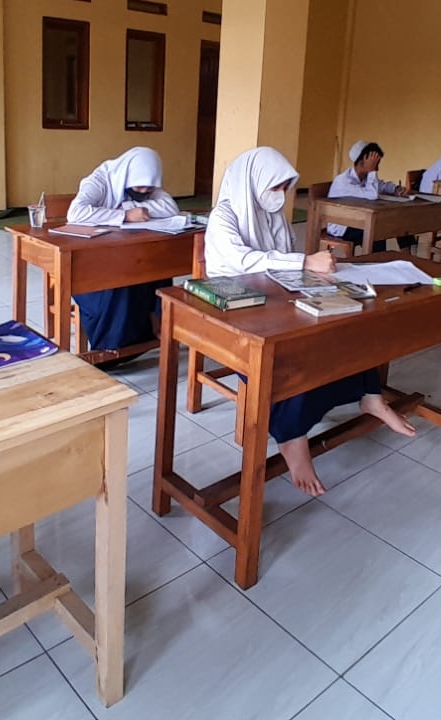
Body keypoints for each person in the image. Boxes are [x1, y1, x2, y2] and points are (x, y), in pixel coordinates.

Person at [205, 147, 416, 495]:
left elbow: (283, 260)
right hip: (237, 311)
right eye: (275, 186)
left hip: (276, 300)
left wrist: (318, 275)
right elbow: (243, 261)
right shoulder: (224, 216)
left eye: (284, 187)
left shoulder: (273, 215)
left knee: (346, 319)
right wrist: (304, 263)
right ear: (254, 181)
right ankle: (292, 436)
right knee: (294, 351)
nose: (280, 194)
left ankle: (369, 395)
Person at [66, 147, 180, 356]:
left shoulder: (145, 184)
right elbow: (75, 213)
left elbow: (171, 208)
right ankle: (111, 351)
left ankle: (147, 334)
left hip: (124, 256)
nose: (144, 192)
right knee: (124, 282)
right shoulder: (99, 180)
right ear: (128, 176)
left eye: (149, 188)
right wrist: (125, 215)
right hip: (89, 264)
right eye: (140, 186)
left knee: (156, 266)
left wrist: (134, 207)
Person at [326, 139, 415, 253]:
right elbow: (371, 195)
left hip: (359, 219)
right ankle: (376, 260)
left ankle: (407, 257)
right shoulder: (344, 181)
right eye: (374, 164)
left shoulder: (365, 177)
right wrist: (372, 171)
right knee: (377, 229)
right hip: (343, 226)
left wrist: (396, 189)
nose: (377, 168)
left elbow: (381, 185)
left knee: (399, 220)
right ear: (362, 162)